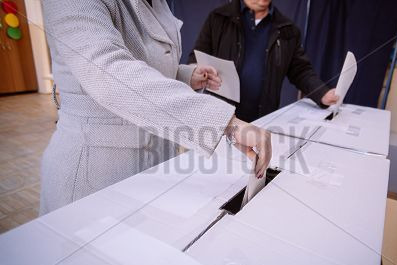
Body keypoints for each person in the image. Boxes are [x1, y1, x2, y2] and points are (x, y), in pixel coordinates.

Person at [40, 0, 271, 215]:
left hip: (155, 162)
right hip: (97, 173)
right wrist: (226, 124)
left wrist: (185, 75)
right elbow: (107, 72)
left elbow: (143, 63)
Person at [188, 0, 339, 122]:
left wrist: (322, 93)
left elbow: (301, 70)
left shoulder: (287, 29)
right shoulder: (219, 18)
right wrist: (196, 72)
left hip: (263, 120)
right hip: (223, 118)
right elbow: (196, 57)